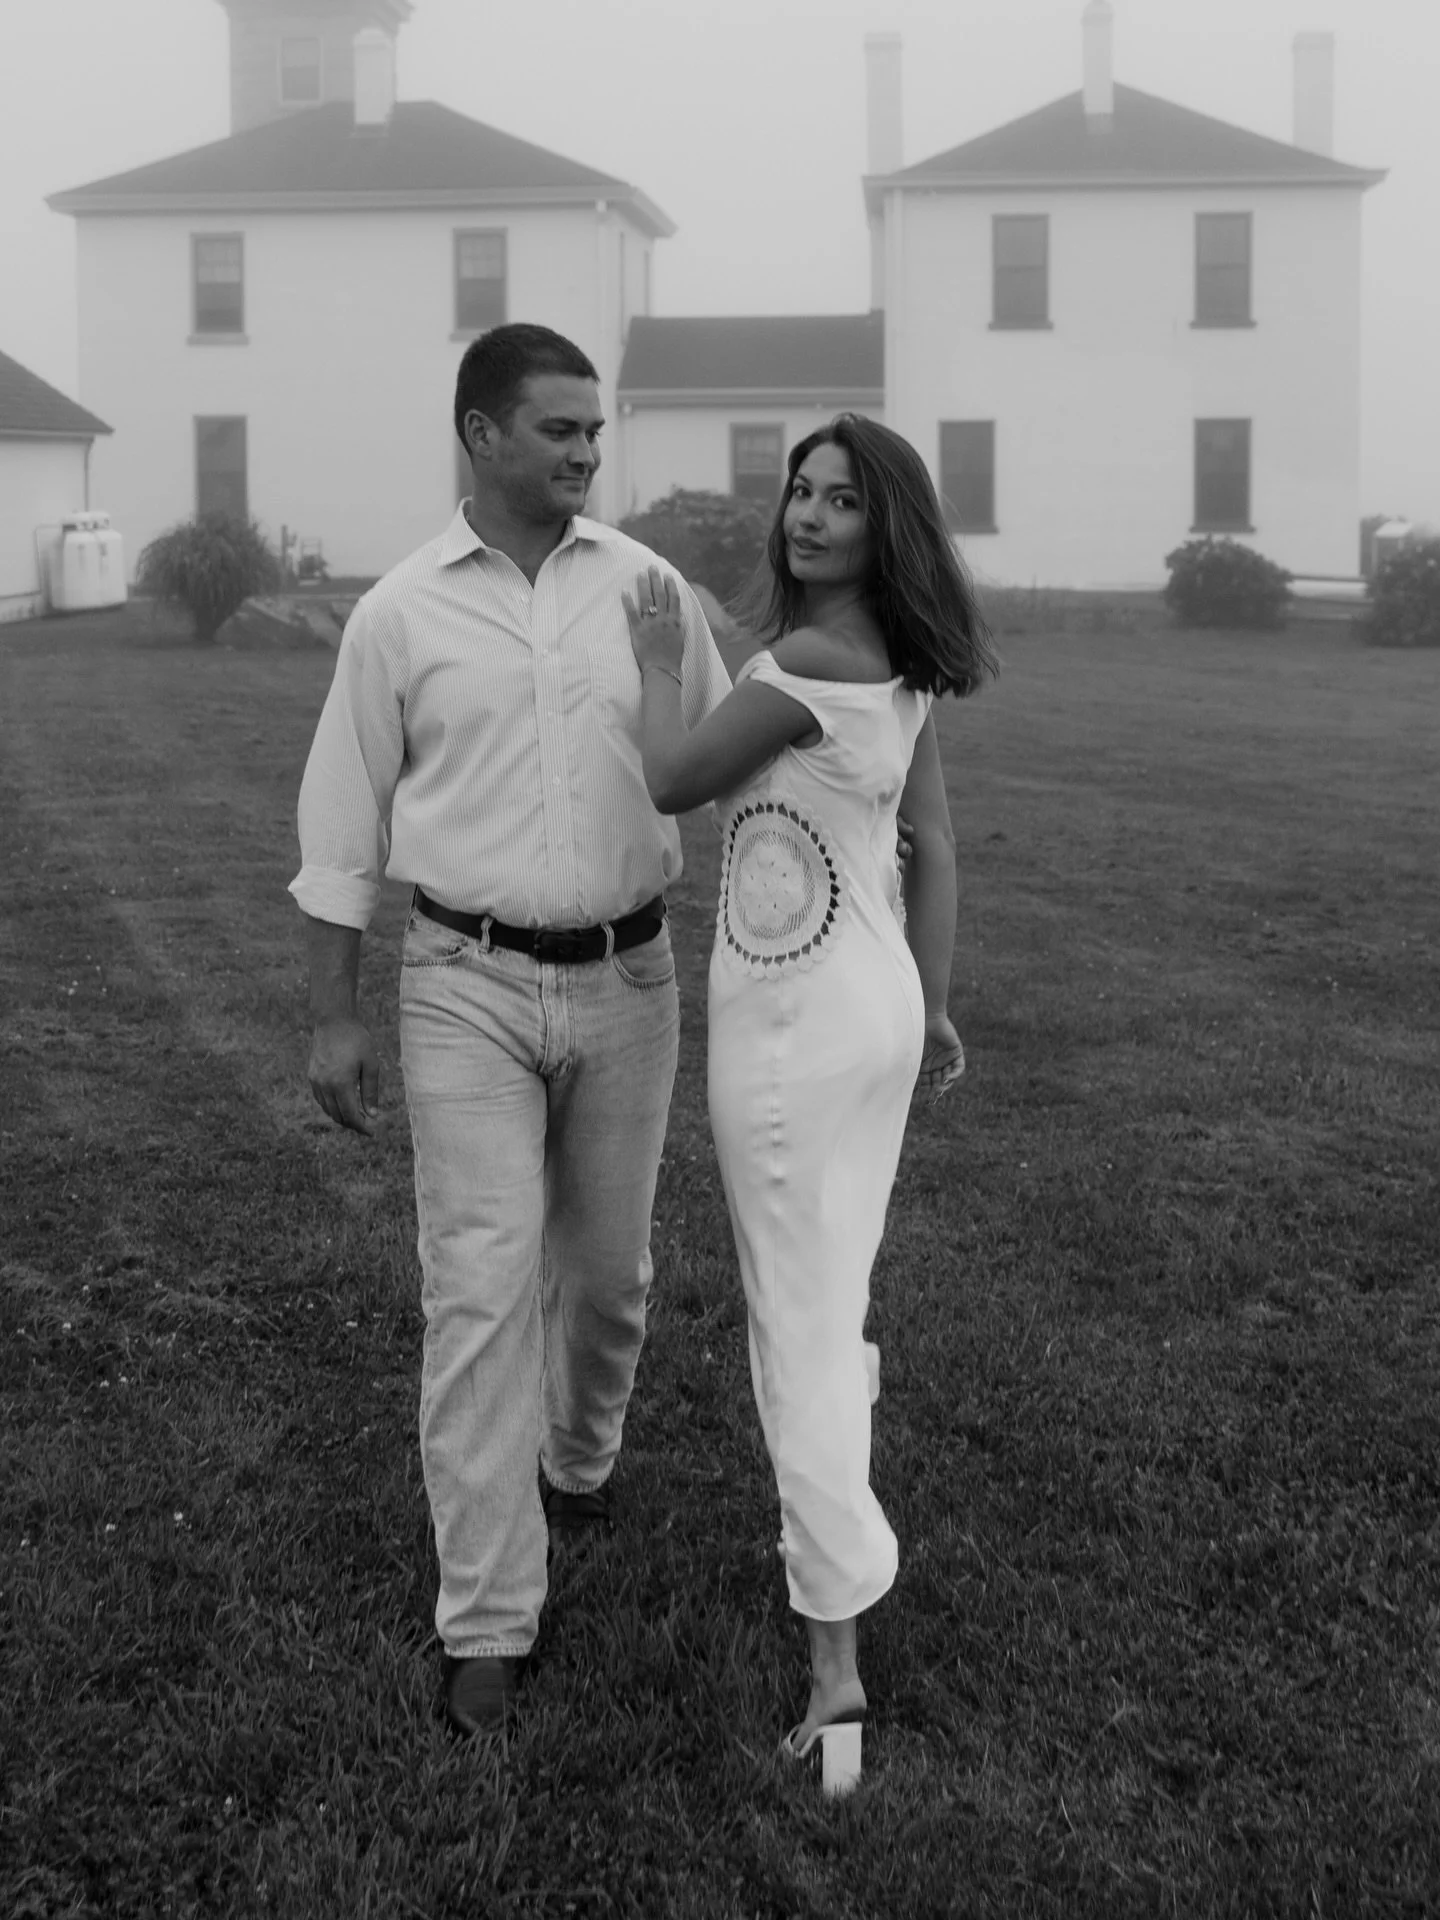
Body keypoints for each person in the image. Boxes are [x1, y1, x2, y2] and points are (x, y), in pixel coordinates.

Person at [290, 322, 730, 1736]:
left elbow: (729, 755)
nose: (589, 455)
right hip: (462, 983)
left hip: (632, 982)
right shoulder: (400, 615)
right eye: (561, 432)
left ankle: (579, 1464)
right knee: (479, 1293)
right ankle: (486, 1617)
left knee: (609, 1282)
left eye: (596, 434)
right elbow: (341, 822)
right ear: (482, 434)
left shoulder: (654, 593)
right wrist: (332, 1019)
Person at [623, 413, 997, 1781]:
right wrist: (936, 1000)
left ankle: (837, 1674)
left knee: (798, 1328)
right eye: (800, 490)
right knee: (826, 1302)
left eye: (841, 500)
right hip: (875, 1007)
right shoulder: (899, 667)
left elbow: (672, 774)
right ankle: (839, 1576)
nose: (808, 513)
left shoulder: (810, 664)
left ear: (882, 525)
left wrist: (659, 667)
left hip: (795, 1034)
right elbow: (933, 844)